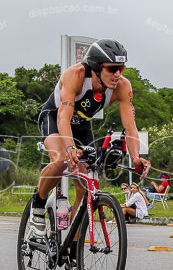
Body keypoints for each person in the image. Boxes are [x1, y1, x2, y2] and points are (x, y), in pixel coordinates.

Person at [27, 38, 150, 236]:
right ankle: (38, 206)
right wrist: (69, 149)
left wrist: (135, 157)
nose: (117, 74)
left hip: (82, 125)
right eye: (112, 68)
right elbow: (63, 117)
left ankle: (73, 248)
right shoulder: (75, 75)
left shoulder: (122, 87)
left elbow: (131, 127)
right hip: (55, 117)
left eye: (121, 68)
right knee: (60, 161)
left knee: (86, 188)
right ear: (95, 67)